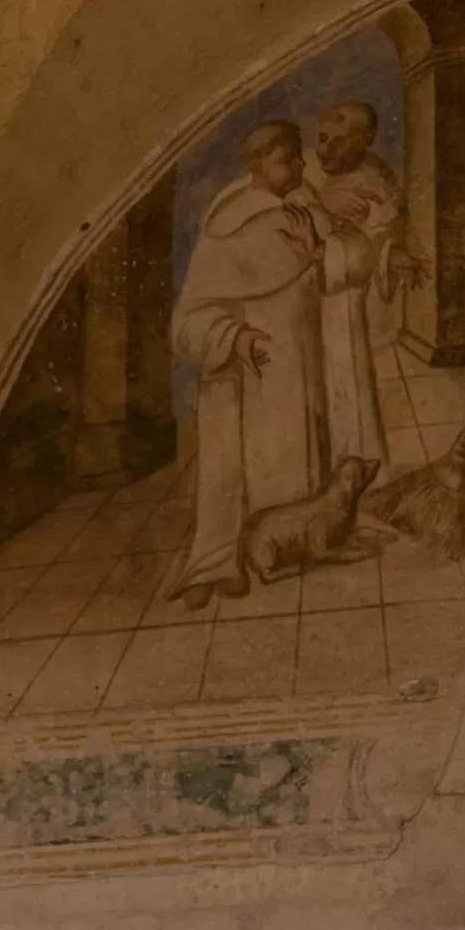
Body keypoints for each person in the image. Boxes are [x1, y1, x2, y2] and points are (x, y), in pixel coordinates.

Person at [170, 119, 376, 602]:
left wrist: (320, 250)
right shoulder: (228, 226)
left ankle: (291, 545)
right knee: (231, 468)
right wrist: (232, 336)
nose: (302, 166)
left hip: (300, 365)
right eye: (289, 160)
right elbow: (188, 321)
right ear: (257, 166)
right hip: (242, 373)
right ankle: (218, 563)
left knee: (297, 454)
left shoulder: (304, 203)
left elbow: (353, 258)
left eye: (300, 158)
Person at [306, 100, 428, 361]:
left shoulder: (376, 180)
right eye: (323, 139)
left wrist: (392, 252)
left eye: (339, 143)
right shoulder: (304, 166)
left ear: (364, 142)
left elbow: (379, 233)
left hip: (345, 298)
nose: (325, 150)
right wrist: (322, 204)